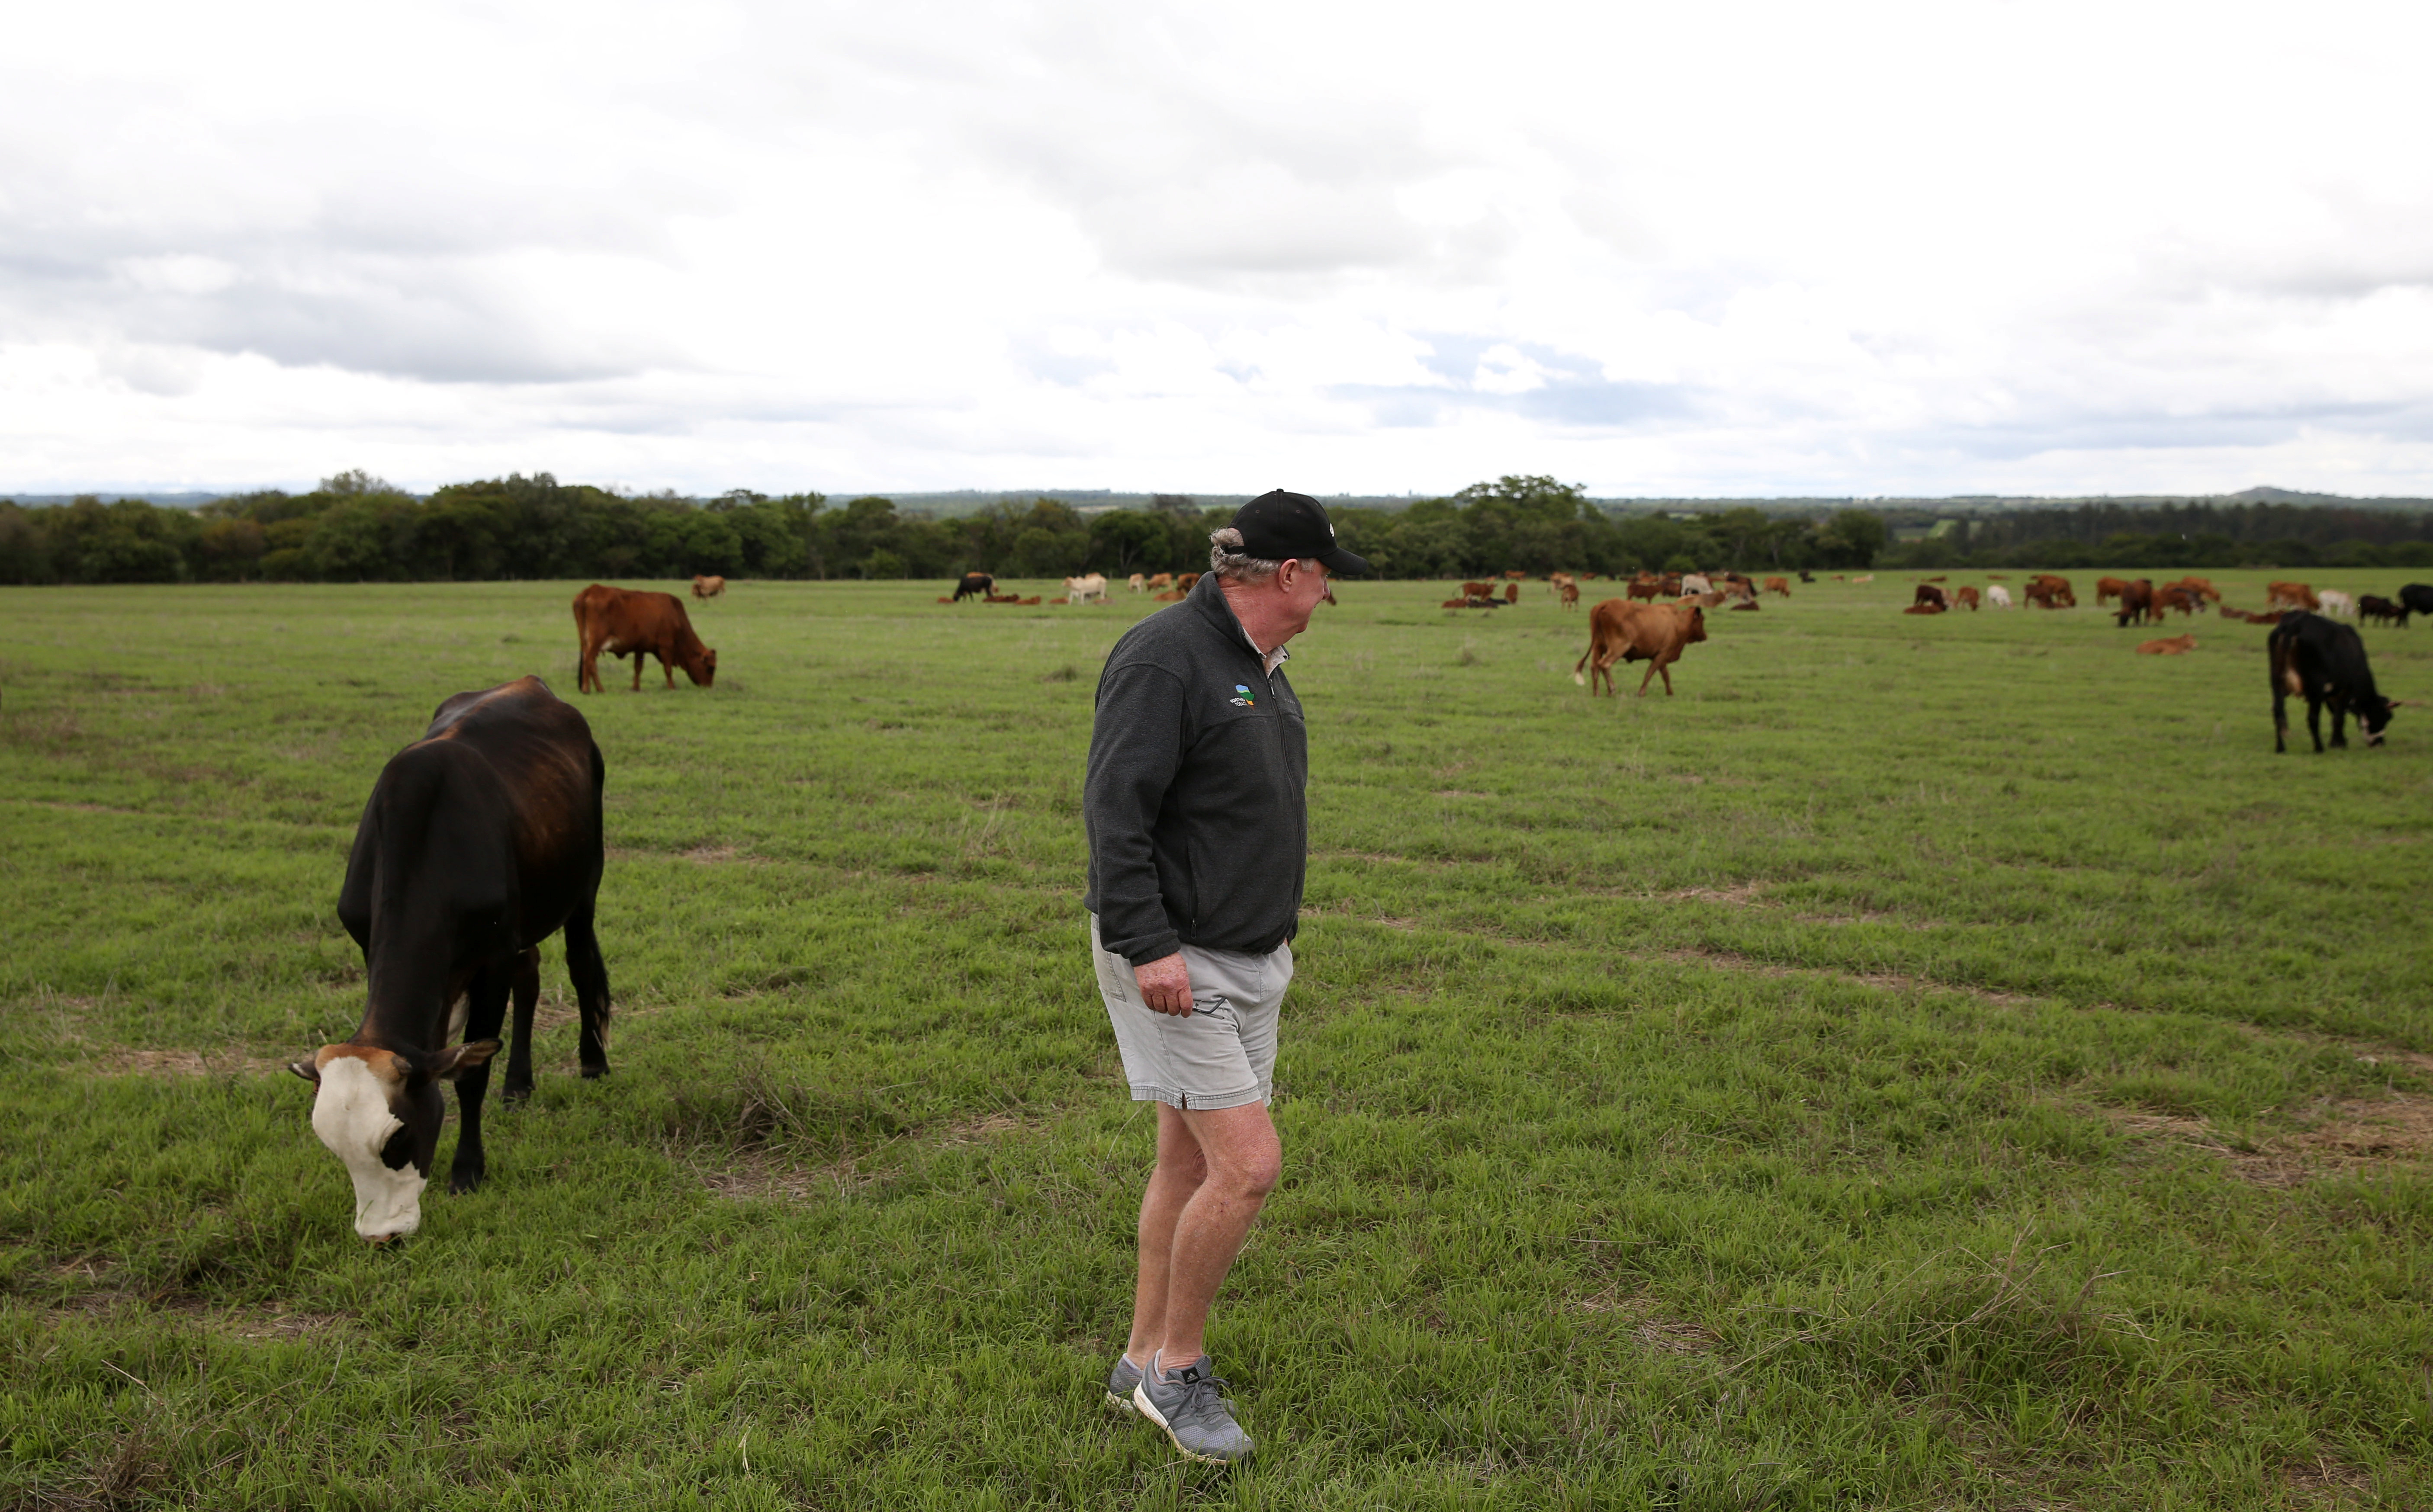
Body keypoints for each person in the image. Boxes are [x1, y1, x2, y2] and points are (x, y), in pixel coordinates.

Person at [1083, 489, 1366, 1465]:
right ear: (1289, 574)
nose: (1329, 597)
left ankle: (1136, 1358)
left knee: (1190, 1160)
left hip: (1249, 953)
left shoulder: (1259, 664)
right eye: (1325, 577)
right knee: (1248, 1166)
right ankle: (1178, 1370)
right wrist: (1146, 941)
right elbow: (1115, 812)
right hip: (1175, 954)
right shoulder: (1167, 655)